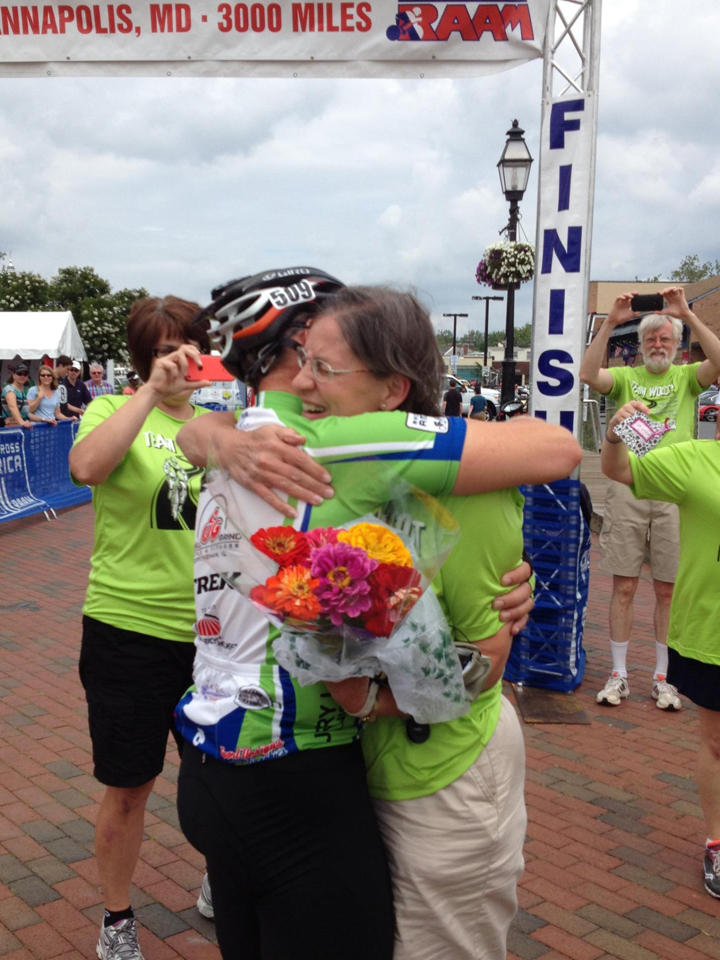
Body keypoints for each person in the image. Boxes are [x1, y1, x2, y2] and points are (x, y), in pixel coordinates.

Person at [174, 269, 582, 960]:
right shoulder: (331, 441)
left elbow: (481, 643)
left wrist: (211, 433)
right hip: (294, 766)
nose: (311, 380)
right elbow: (558, 449)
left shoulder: (239, 441)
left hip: (223, 755)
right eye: (308, 357)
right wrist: (365, 698)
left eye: (326, 365)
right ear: (287, 350)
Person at [68, 297, 216, 960]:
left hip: (212, 635)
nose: (177, 362)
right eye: (161, 351)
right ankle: (118, 917)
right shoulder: (111, 410)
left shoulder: (220, 425)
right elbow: (86, 469)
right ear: (143, 359)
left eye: (187, 348)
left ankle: (220, 876)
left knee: (220, 777)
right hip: (127, 629)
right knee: (129, 785)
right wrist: (149, 394)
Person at [580, 286, 720, 710]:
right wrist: (610, 322)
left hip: (677, 494)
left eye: (665, 339)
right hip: (628, 484)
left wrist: (688, 315)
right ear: (640, 346)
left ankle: (664, 677)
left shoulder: (687, 377)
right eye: (650, 339)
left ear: (677, 346)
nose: (658, 345)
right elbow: (588, 375)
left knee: (667, 590)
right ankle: (619, 674)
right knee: (624, 585)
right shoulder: (626, 379)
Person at [602, 401, 720, 898]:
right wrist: (614, 434)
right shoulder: (695, 459)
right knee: (716, 742)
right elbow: (618, 469)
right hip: (712, 628)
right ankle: (717, 841)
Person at [2, 362, 34, 428]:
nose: (22, 376)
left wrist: (43, 419)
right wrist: (22, 422)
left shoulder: (22, 391)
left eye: (25, 374)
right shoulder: (9, 389)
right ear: (13, 375)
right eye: (19, 373)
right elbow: (12, 407)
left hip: (21, 428)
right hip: (11, 429)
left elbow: (26, 414)